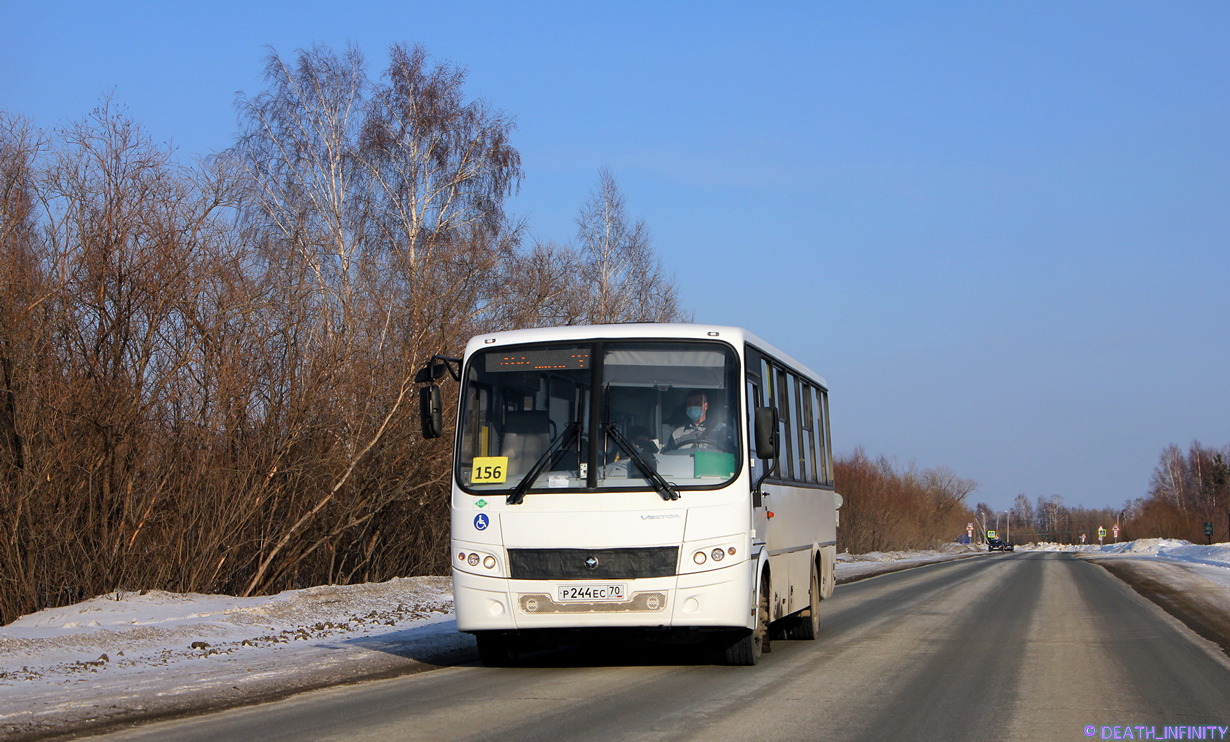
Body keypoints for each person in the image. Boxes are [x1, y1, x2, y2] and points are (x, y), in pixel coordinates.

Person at [665, 390, 734, 452]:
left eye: (697, 403)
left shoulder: (721, 429)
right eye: (689, 404)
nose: (692, 406)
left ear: (705, 406)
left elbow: (728, 453)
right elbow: (669, 457)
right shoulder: (677, 434)